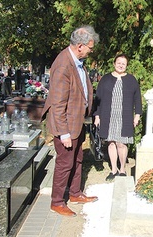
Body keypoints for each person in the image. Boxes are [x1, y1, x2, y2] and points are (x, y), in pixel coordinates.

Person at [41, 25, 100, 217]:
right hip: (66, 124)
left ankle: (75, 193)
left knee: (78, 158)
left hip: (77, 120)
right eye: (90, 48)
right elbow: (57, 103)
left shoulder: (77, 61)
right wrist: (63, 133)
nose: (91, 51)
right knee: (65, 163)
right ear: (80, 46)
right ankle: (57, 202)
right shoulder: (63, 65)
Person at [93, 54, 142, 181]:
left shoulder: (131, 80)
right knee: (111, 143)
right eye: (119, 63)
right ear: (114, 63)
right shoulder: (106, 79)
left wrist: (137, 115)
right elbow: (98, 98)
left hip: (124, 116)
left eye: (123, 63)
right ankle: (114, 169)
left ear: (126, 66)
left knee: (121, 143)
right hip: (108, 116)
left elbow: (137, 99)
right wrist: (97, 115)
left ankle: (122, 169)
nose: (121, 65)